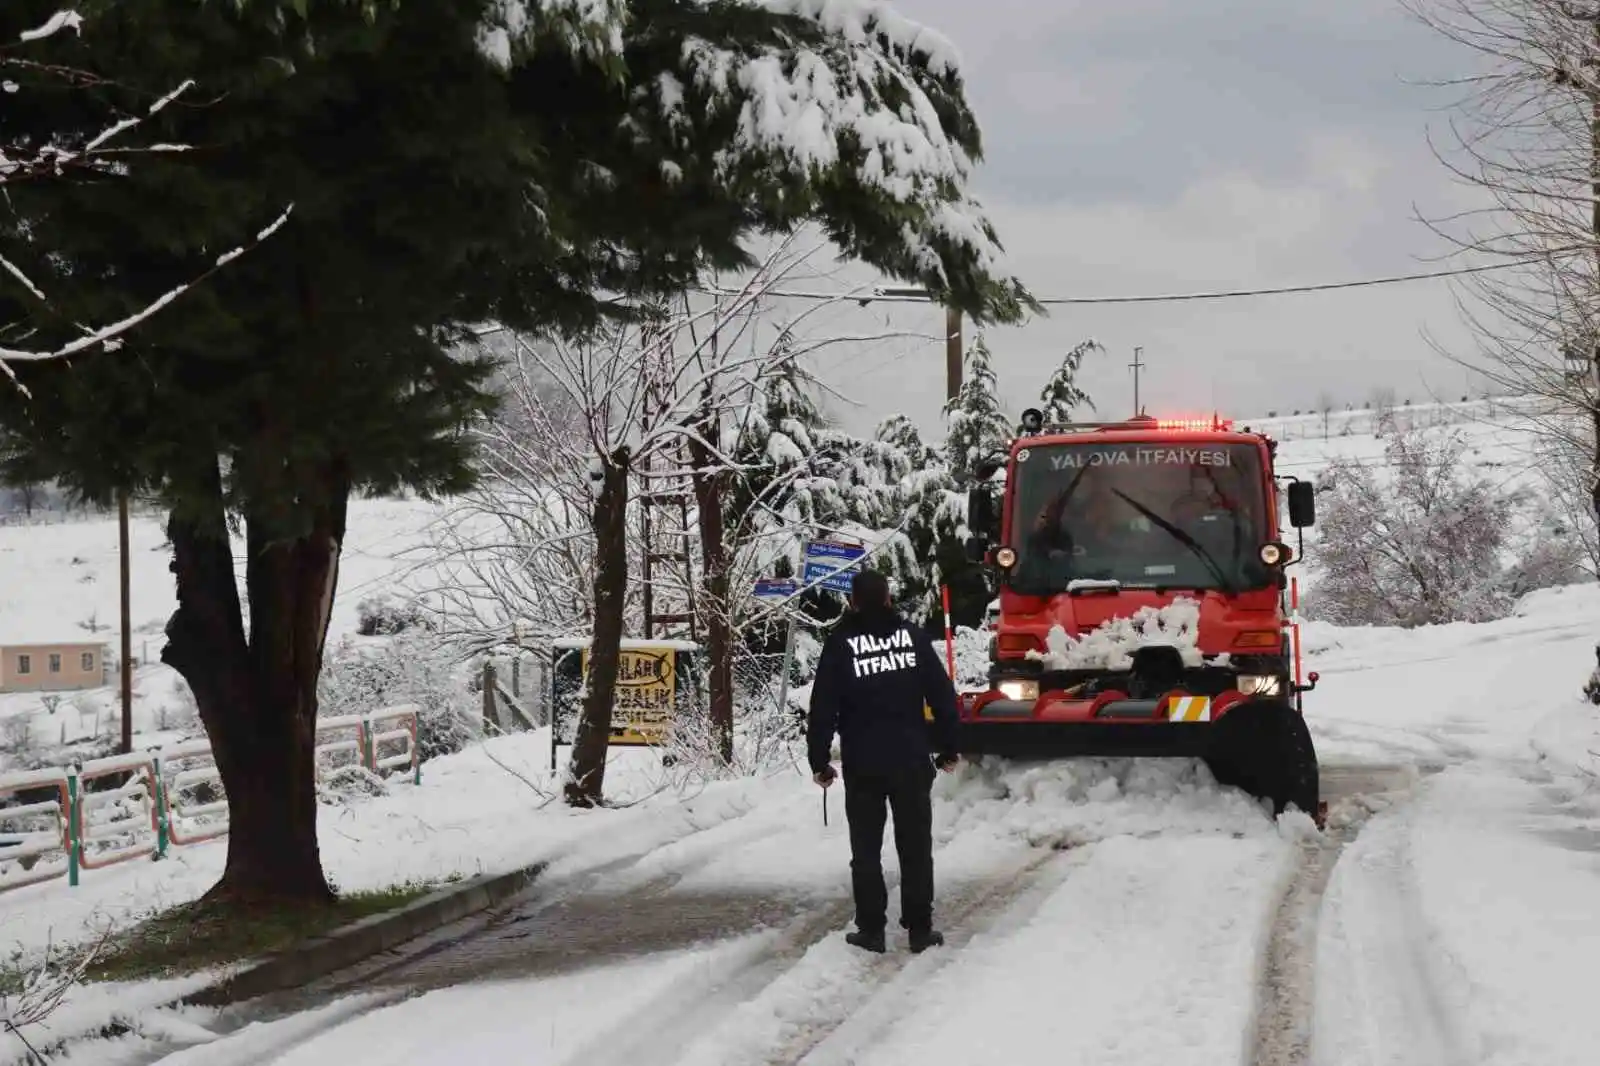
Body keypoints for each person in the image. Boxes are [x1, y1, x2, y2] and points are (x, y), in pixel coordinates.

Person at [808, 569, 961, 954]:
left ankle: (872, 930)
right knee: (914, 847)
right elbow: (942, 695)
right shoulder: (912, 638)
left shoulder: (841, 643)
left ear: (853, 602)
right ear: (889, 599)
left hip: (864, 763)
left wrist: (820, 761)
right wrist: (948, 747)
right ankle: (920, 929)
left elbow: (823, 705)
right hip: (910, 759)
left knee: (865, 850)